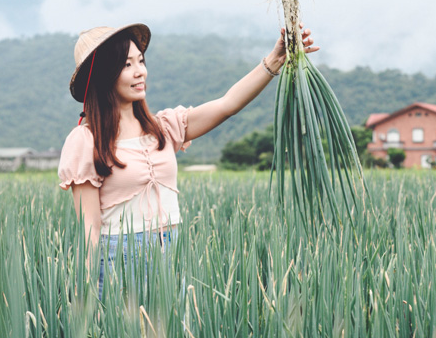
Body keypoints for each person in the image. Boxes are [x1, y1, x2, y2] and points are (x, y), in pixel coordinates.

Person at [58, 22, 317, 292]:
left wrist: (274, 61)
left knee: (173, 334)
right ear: (102, 75)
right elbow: (89, 226)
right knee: (129, 335)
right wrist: (85, 294)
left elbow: (227, 105)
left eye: (141, 61)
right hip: (120, 260)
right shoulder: (86, 141)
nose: (140, 72)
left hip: (171, 253)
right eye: (126, 65)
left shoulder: (163, 128)